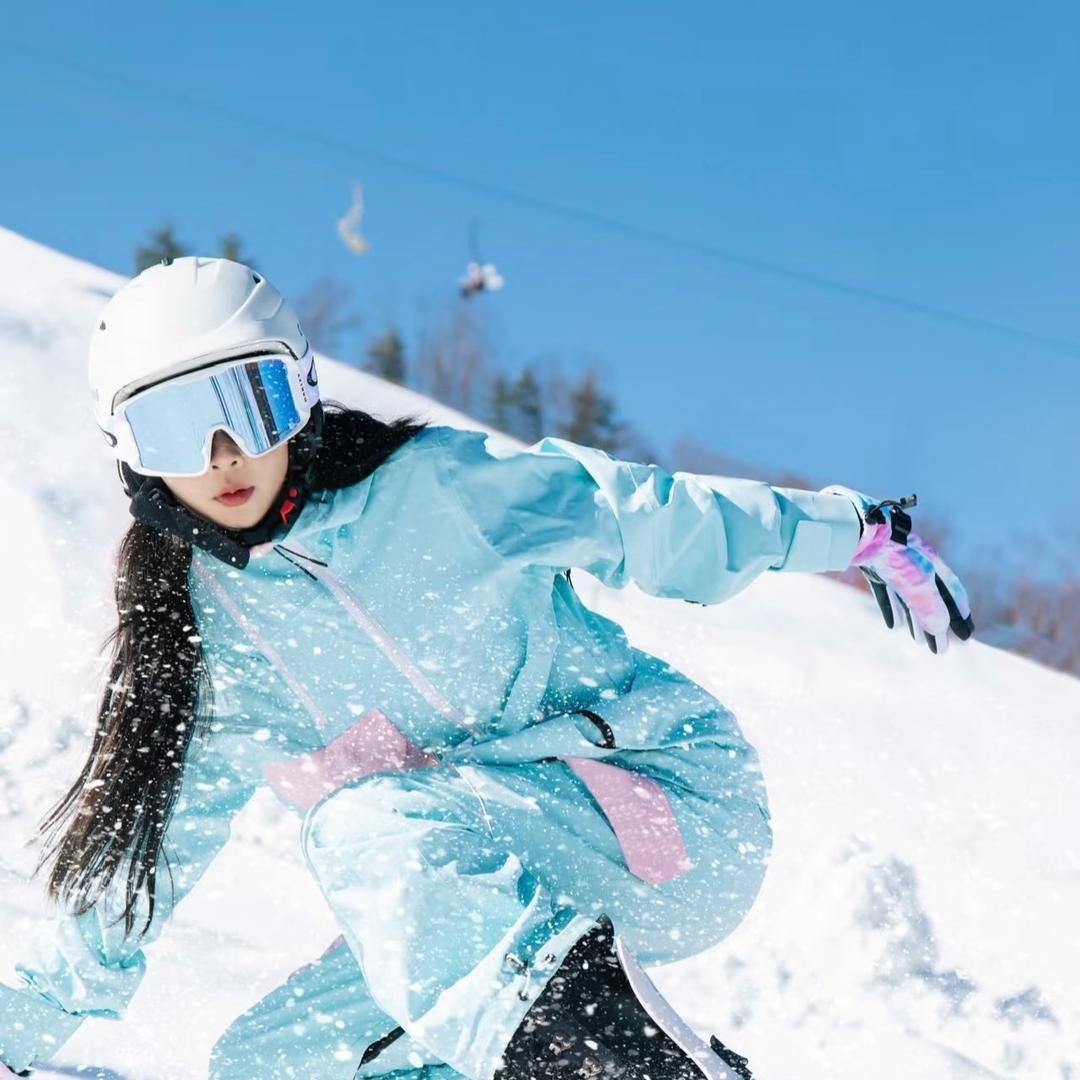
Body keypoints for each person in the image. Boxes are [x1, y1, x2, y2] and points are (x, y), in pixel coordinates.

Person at [0, 258, 973, 1080]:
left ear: (299, 394)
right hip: (500, 880)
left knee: (365, 826)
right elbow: (148, 859)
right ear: (130, 452)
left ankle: (618, 1067)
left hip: (668, 803)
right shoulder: (215, 637)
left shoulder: (436, 492)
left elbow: (648, 516)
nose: (223, 456)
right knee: (269, 1064)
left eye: (249, 405)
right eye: (178, 428)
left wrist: (854, 533)